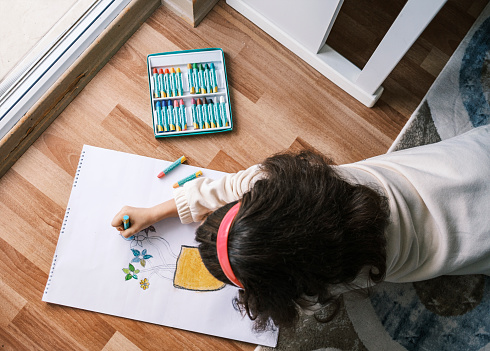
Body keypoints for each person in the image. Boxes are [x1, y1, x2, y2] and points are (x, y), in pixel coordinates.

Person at [112, 125, 490, 331]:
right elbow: (228, 188)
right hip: (472, 159)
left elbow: (290, 303)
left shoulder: (331, 279)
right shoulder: (294, 182)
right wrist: (154, 211)